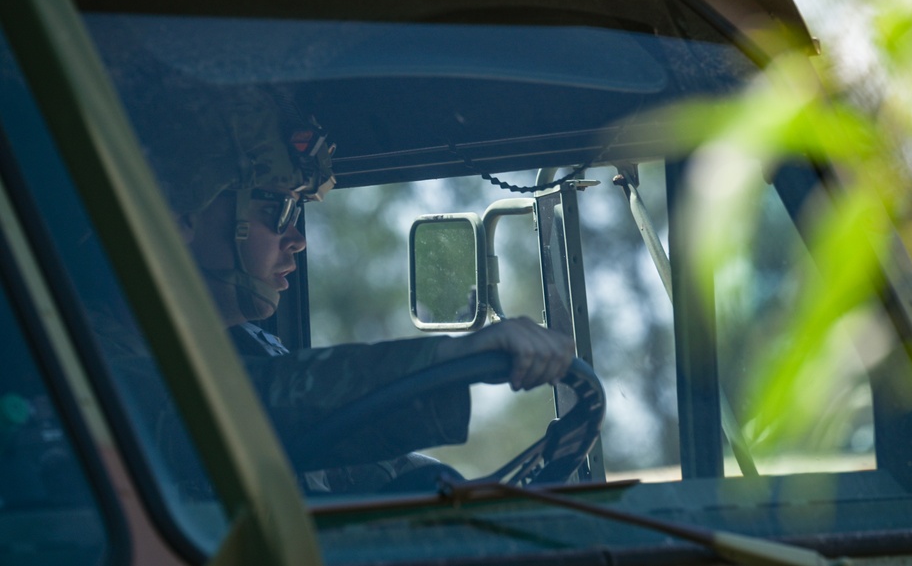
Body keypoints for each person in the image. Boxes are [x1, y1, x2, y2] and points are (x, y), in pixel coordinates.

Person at [120, 87, 575, 493]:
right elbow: (228, 408)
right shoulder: (88, 357)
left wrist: (449, 495)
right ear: (179, 214)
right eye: (277, 209)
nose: (297, 239)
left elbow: (359, 468)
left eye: (299, 211)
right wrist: (448, 360)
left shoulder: (254, 350)